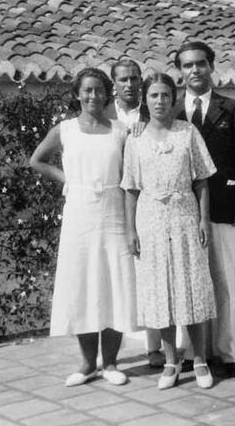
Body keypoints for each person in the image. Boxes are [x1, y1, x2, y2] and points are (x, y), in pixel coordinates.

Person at [29, 67, 137, 387]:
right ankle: (89, 364)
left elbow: (131, 172)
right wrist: (69, 181)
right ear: (78, 94)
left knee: (114, 285)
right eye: (87, 90)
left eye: (99, 90)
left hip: (114, 211)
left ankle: (112, 363)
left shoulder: (120, 131)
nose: (93, 96)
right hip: (79, 213)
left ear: (108, 94)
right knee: (84, 285)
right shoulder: (64, 129)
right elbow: (37, 160)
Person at [122, 72, 217, 390]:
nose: (160, 101)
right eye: (153, 96)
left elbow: (202, 181)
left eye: (165, 95)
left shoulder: (187, 132)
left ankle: (200, 359)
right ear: (145, 100)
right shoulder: (135, 138)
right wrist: (131, 230)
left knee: (191, 289)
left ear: (172, 98)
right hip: (150, 221)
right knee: (160, 293)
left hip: (185, 217)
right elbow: (131, 189)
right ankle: (172, 363)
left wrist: (204, 220)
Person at [175, 41, 235, 378]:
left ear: (211, 67)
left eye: (200, 64)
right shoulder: (173, 112)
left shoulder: (233, 109)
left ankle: (232, 352)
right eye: (187, 65)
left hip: (224, 206)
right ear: (179, 72)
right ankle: (197, 353)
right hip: (184, 211)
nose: (194, 70)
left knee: (226, 280)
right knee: (192, 284)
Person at [107, 57, 165, 369]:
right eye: (123, 80)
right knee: (113, 277)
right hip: (109, 205)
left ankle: (154, 347)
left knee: (150, 275)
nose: (129, 85)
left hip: (146, 206)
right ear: (113, 84)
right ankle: (110, 356)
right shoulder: (101, 117)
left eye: (133, 79)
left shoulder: (156, 112)